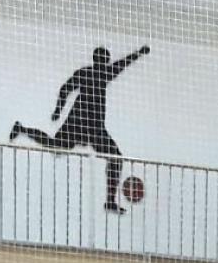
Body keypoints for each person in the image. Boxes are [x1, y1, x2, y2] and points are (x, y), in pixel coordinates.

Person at [11, 45, 151, 213]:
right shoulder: (95, 73)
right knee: (57, 147)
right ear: (100, 60)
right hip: (79, 123)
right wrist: (58, 109)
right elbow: (66, 88)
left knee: (115, 158)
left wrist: (58, 109)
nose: (104, 62)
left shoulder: (99, 73)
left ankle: (110, 201)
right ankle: (22, 129)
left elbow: (122, 64)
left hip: (93, 127)